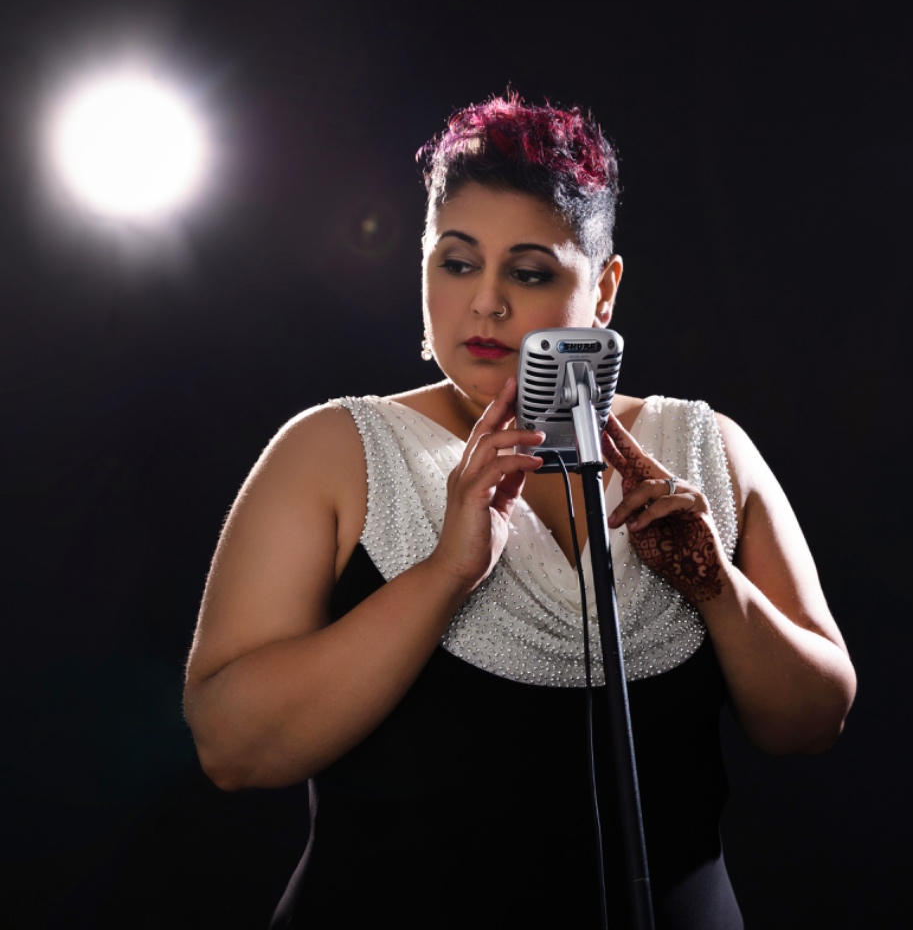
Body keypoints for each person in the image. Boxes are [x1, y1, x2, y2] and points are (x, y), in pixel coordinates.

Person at [183, 93, 857, 927]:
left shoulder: (704, 447)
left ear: (603, 289)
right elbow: (231, 750)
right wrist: (445, 574)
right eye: (457, 262)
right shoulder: (332, 451)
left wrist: (716, 584)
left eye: (530, 271)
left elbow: (813, 723)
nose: (486, 303)